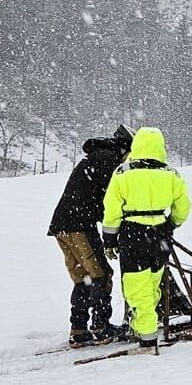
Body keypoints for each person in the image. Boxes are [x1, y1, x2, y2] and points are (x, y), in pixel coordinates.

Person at [101, 127, 191, 352]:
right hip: (159, 234)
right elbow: (183, 207)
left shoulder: (123, 173)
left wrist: (109, 239)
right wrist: (170, 225)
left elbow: (111, 210)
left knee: (135, 287)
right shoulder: (172, 174)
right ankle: (146, 325)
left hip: (133, 234)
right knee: (152, 284)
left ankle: (147, 337)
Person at [48, 125, 133, 348]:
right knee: (102, 274)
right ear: (124, 148)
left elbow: (97, 197)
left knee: (83, 276)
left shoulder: (97, 156)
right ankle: (100, 327)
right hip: (79, 225)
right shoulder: (107, 159)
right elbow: (109, 199)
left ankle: (79, 330)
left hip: (63, 225)